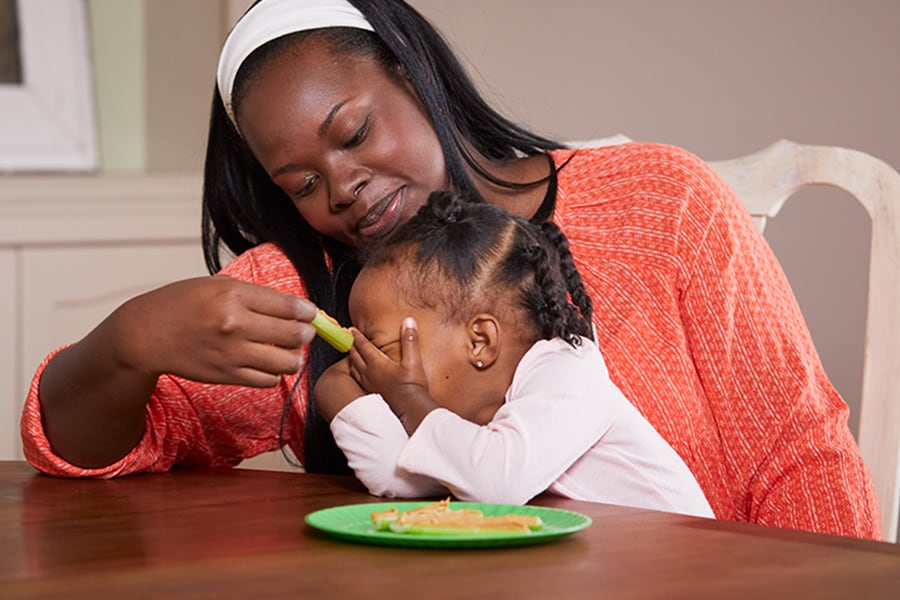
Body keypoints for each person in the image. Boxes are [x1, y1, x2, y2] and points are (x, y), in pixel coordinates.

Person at [19, 0, 880, 538]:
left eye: (353, 133)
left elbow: (796, 451)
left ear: (416, 74)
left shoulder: (661, 200)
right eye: (302, 182)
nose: (344, 187)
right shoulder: (304, 291)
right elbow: (88, 448)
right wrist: (126, 345)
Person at [314, 189, 715, 518]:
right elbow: (398, 478)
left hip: (684, 572)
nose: (371, 369)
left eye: (382, 348)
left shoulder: (568, 373)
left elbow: (496, 484)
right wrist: (334, 386)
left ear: (480, 343)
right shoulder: (470, 429)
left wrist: (407, 398)